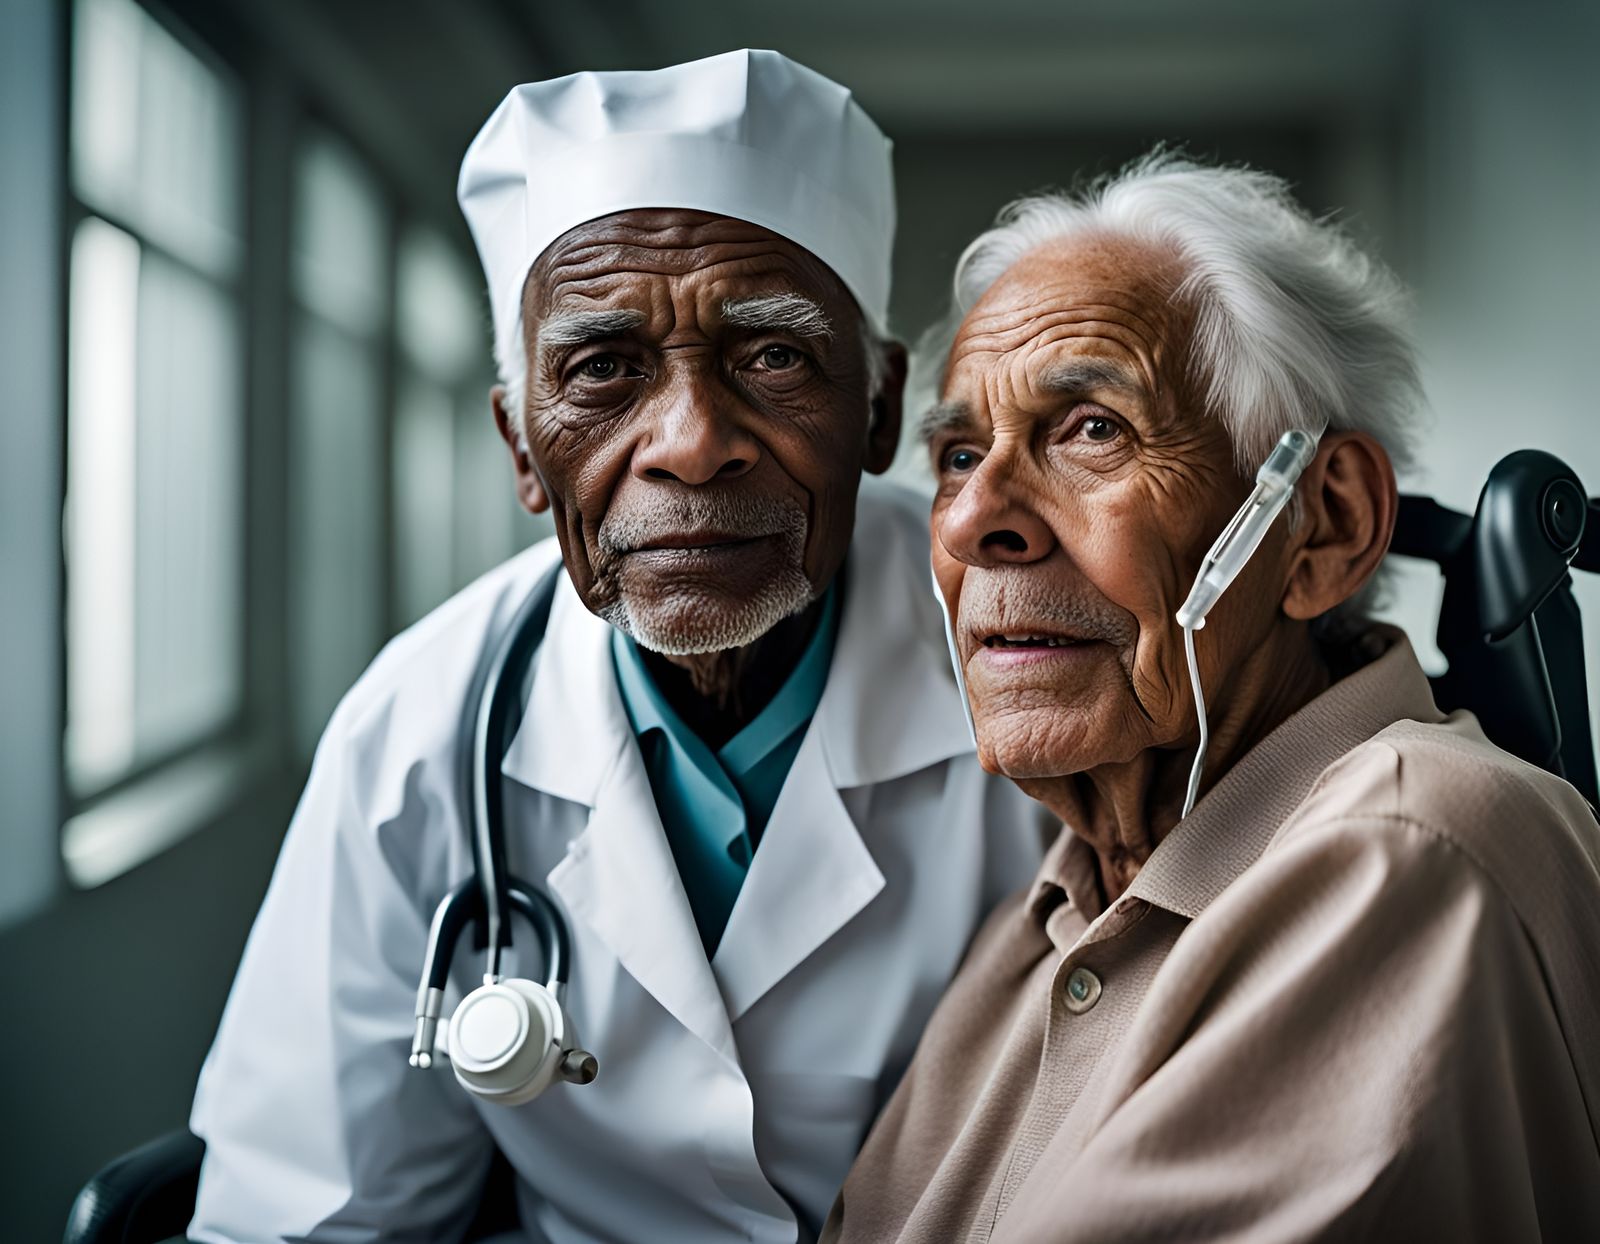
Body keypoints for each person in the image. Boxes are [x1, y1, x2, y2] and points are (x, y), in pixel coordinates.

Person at [188, 51, 1045, 1244]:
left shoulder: (1045, 647)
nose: (692, 444)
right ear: (523, 448)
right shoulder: (421, 729)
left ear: (881, 409)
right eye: (603, 369)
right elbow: (308, 1217)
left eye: (773, 355)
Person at [823, 153, 1600, 1243]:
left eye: (1090, 427)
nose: (969, 521)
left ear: (1321, 527)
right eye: (957, 453)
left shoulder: (1410, 845)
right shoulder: (1049, 906)